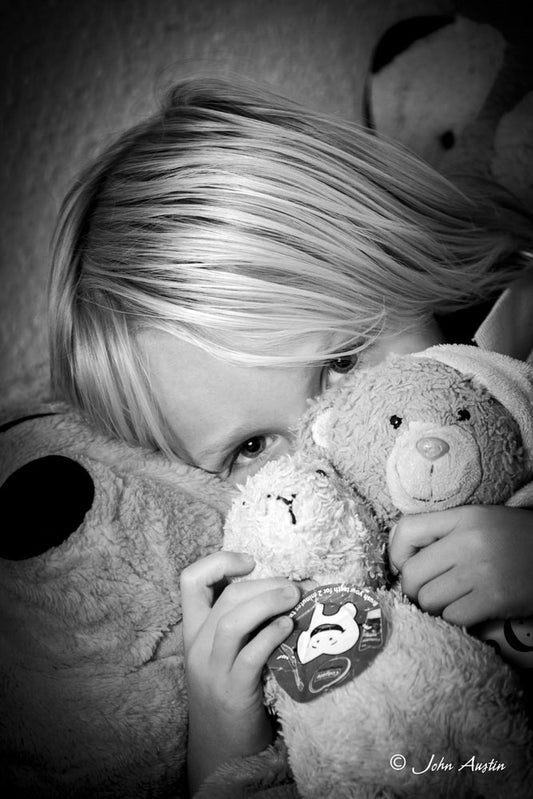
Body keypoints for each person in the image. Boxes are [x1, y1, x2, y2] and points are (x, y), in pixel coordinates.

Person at [48, 77, 533, 795]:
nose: (326, 449)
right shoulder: (279, 589)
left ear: (401, 259)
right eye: (251, 447)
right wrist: (222, 740)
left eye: (340, 360)